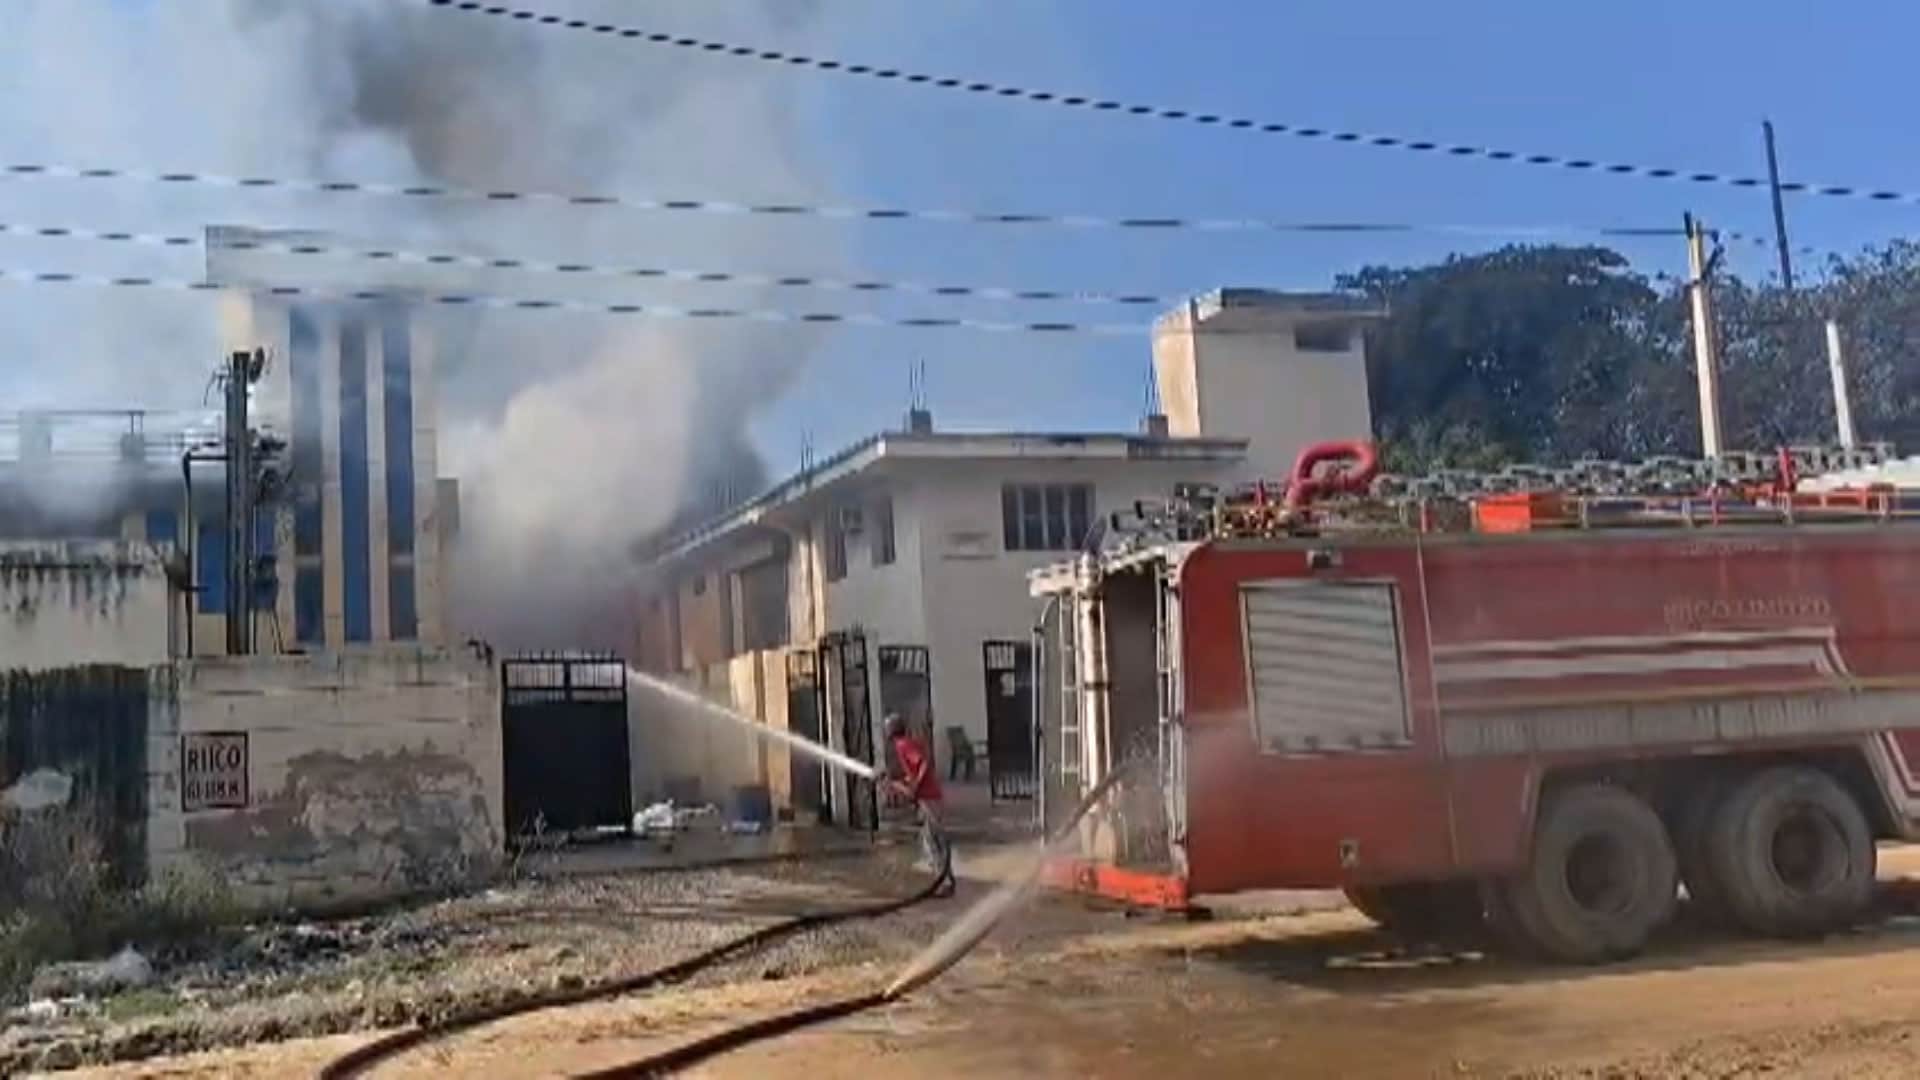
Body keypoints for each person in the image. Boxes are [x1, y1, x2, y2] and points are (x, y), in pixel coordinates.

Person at [885, 712, 954, 896]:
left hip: (929, 798)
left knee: (932, 841)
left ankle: (944, 883)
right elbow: (915, 771)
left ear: (891, 731)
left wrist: (914, 785)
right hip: (930, 798)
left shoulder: (903, 745)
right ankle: (946, 879)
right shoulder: (905, 743)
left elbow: (923, 764)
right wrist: (903, 782)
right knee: (931, 840)